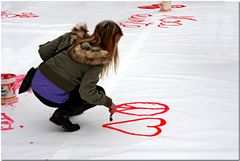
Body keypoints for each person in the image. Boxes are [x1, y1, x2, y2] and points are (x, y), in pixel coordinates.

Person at [31, 20, 123, 132]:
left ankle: (64, 103)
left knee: (79, 87)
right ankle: (62, 114)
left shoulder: (72, 37)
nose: (115, 46)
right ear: (109, 41)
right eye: (115, 42)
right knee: (98, 92)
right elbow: (86, 92)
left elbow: (43, 51)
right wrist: (109, 103)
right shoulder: (99, 58)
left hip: (35, 82)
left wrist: (58, 67)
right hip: (50, 97)